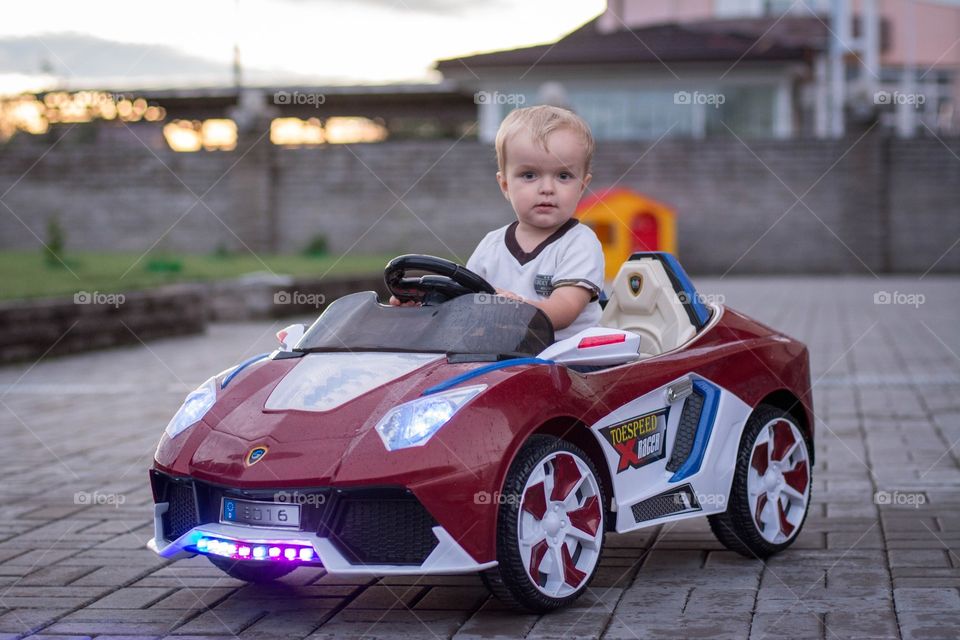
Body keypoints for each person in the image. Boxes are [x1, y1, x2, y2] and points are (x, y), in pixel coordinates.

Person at [392, 105, 604, 342]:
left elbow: (564, 309)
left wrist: (513, 309)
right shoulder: (491, 245)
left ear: (582, 186)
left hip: (570, 360)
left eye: (563, 176)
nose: (547, 188)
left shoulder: (579, 243)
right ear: (505, 185)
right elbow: (464, 302)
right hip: (506, 354)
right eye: (529, 175)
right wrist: (425, 308)